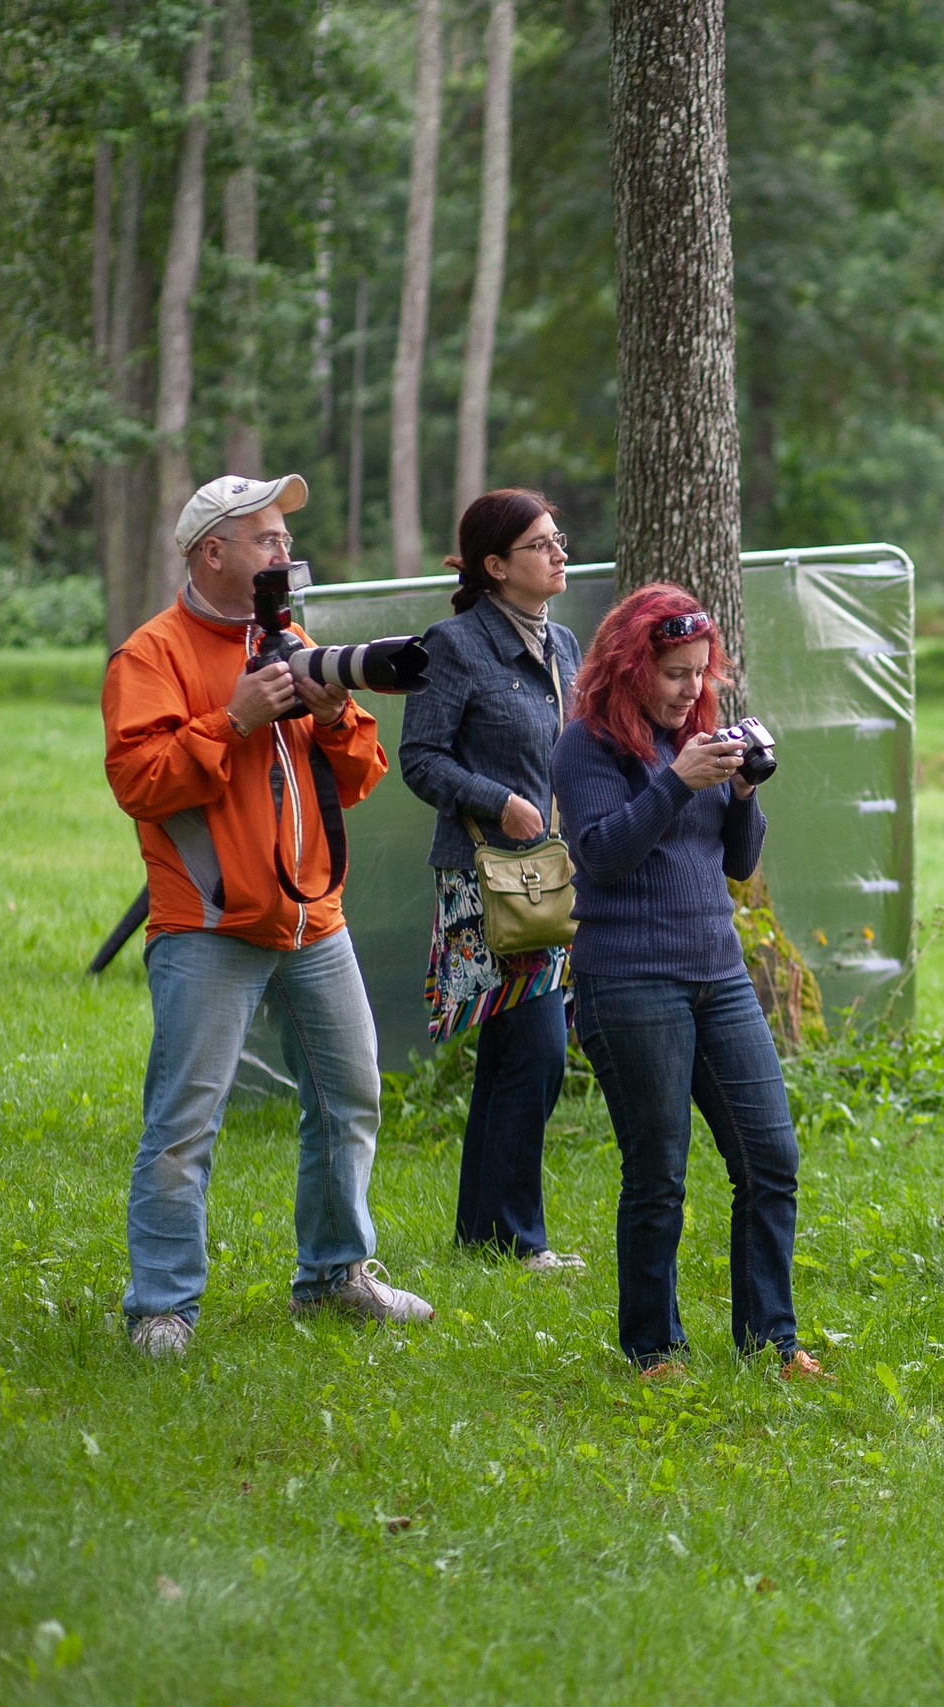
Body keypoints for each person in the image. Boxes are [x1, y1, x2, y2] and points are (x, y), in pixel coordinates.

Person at [105, 472, 432, 1357]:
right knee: (184, 1124)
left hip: (312, 919)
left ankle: (335, 1276)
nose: (285, 553)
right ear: (213, 552)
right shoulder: (151, 655)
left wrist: (329, 718)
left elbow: (358, 776)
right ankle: (162, 1306)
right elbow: (138, 781)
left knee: (352, 1097)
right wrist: (234, 719)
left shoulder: (292, 640)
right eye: (267, 540)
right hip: (207, 925)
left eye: (286, 539)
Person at [555, 584, 822, 1380]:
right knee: (658, 1172)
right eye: (674, 673)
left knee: (770, 1155)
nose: (688, 689)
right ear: (632, 668)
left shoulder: (703, 738)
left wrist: (740, 792)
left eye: (699, 674)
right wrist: (677, 779)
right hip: (630, 980)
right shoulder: (586, 746)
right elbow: (602, 855)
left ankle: (770, 1341)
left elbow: (737, 863)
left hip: (718, 974)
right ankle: (653, 1347)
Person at [398, 490, 586, 1273]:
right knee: (534, 1049)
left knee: (523, 1053)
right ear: (495, 565)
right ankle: (515, 1238)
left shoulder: (565, 642)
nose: (559, 553)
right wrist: (497, 800)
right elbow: (420, 758)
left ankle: (486, 1231)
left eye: (558, 539)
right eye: (541, 544)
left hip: (555, 876)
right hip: (487, 880)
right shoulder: (452, 644)